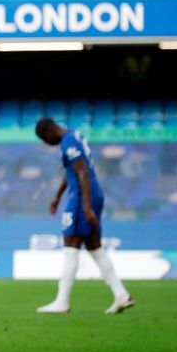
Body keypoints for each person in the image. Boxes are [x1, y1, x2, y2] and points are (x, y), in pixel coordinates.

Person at [35, 117, 134, 315]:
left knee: (70, 246)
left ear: (49, 132)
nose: (47, 144)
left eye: (45, 139)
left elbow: (82, 174)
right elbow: (72, 171)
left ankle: (61, 301)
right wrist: (57, 196)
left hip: (82, 197)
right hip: (91, 194)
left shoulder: (68, 142)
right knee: (95, 248)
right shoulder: (74, 135)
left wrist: (87, 207)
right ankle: (121, 295)